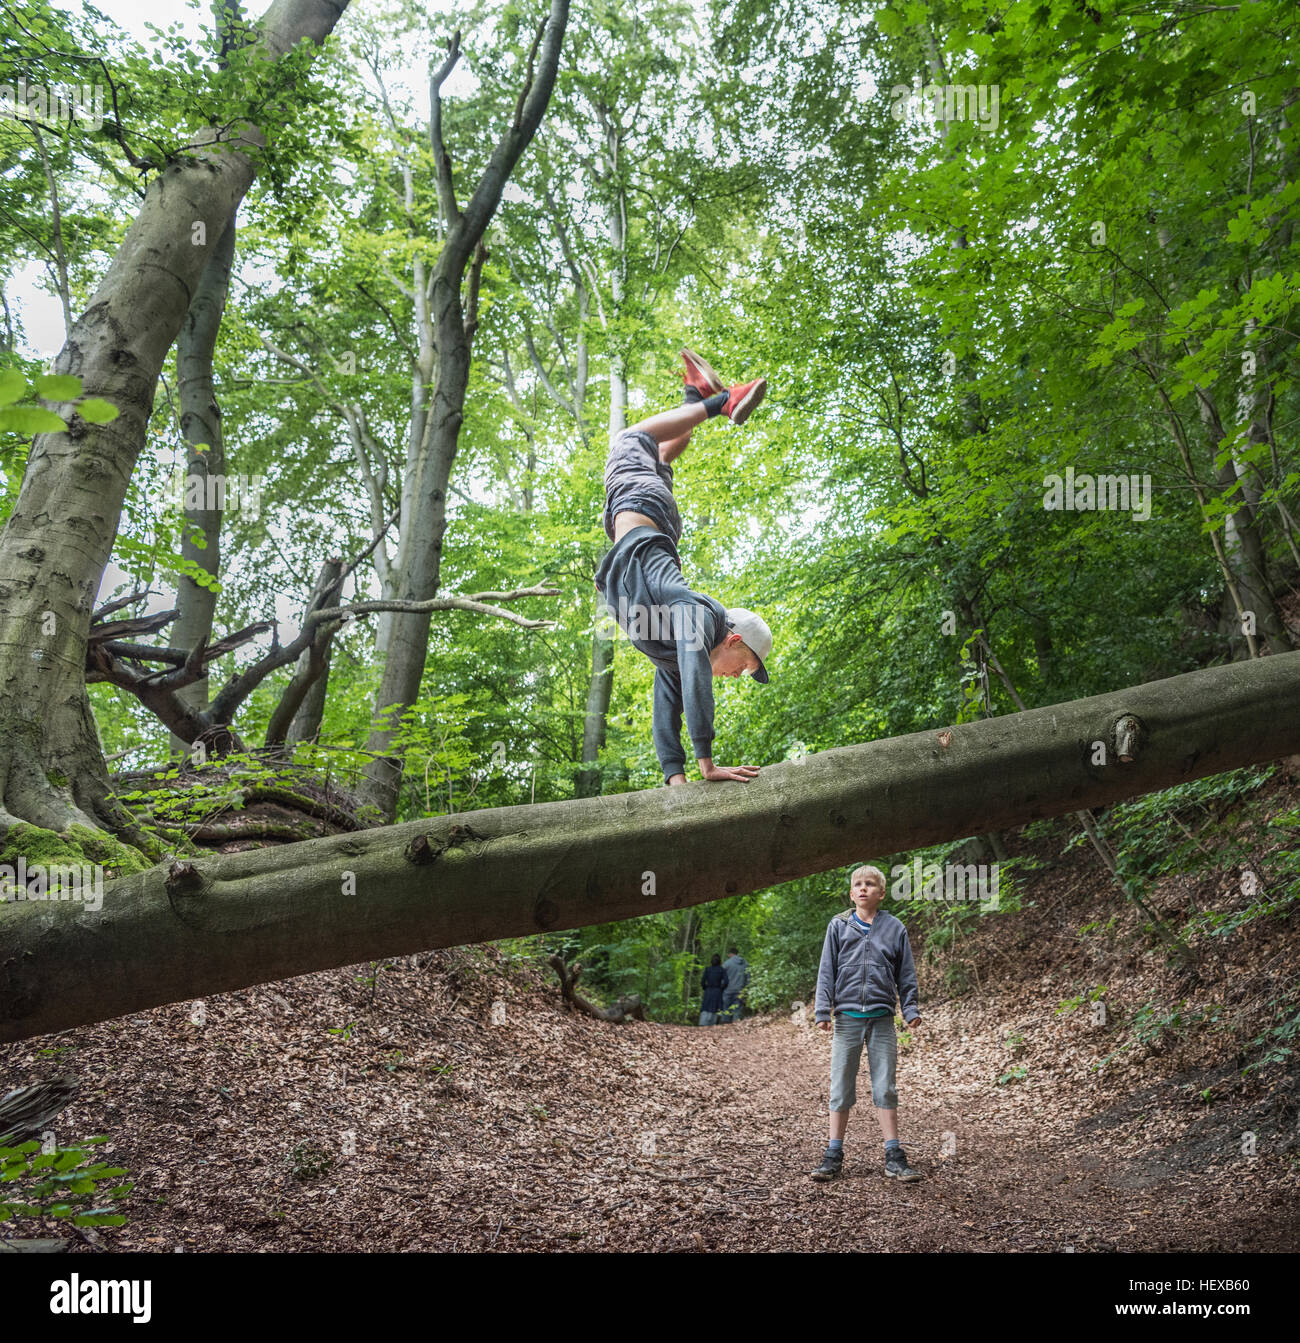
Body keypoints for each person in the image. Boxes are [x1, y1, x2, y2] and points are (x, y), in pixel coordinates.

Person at [593, 350, 773, 787]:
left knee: (662, 453)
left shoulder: (677, 649)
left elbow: (665, 705)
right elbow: (698, 681)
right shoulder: (697, 614)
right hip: (642, 509)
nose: (735, 676)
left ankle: (694, 393)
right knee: (628, 439)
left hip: (651, 516)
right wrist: (706, 762)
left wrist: (676, 777)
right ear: (733, 638)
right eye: (743, 664)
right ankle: (722, 402)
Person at [810, 865, 924, 1183]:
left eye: (870, 884)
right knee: (840, 1087)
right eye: (858, 884)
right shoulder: (838, 926)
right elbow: (826, 970)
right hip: (847, 1019)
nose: (863, 888)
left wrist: (910, 1008)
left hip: (882, 1019)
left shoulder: (894, 927)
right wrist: (822, 1010)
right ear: (851, 893)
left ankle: (894, 1156)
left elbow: (906, 974)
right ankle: (833, 1154)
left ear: (881, 893)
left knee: (885, 1087)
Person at [721, 946, 749, 1023]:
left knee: (726, 1008)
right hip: (740, 990)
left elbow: (721, 977)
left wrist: (721, 987)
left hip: (727, 990)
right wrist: (746, 990)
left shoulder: (727, 964)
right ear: (737, 954)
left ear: (730, 954)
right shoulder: (745, 964)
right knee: (737, 1009)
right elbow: (748, 979)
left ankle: (724, 1027)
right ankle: (735, 1027)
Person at [699, 954, 727, 1026]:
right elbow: (726, 981)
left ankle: (703, 1023)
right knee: (715, 1007)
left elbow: (702, 981)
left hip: (708, 990)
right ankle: (713, 1024)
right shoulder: (721, 970)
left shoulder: (708, 969)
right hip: (717, 991)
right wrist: (721, 989)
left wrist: (705, 988)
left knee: (706, 1006)